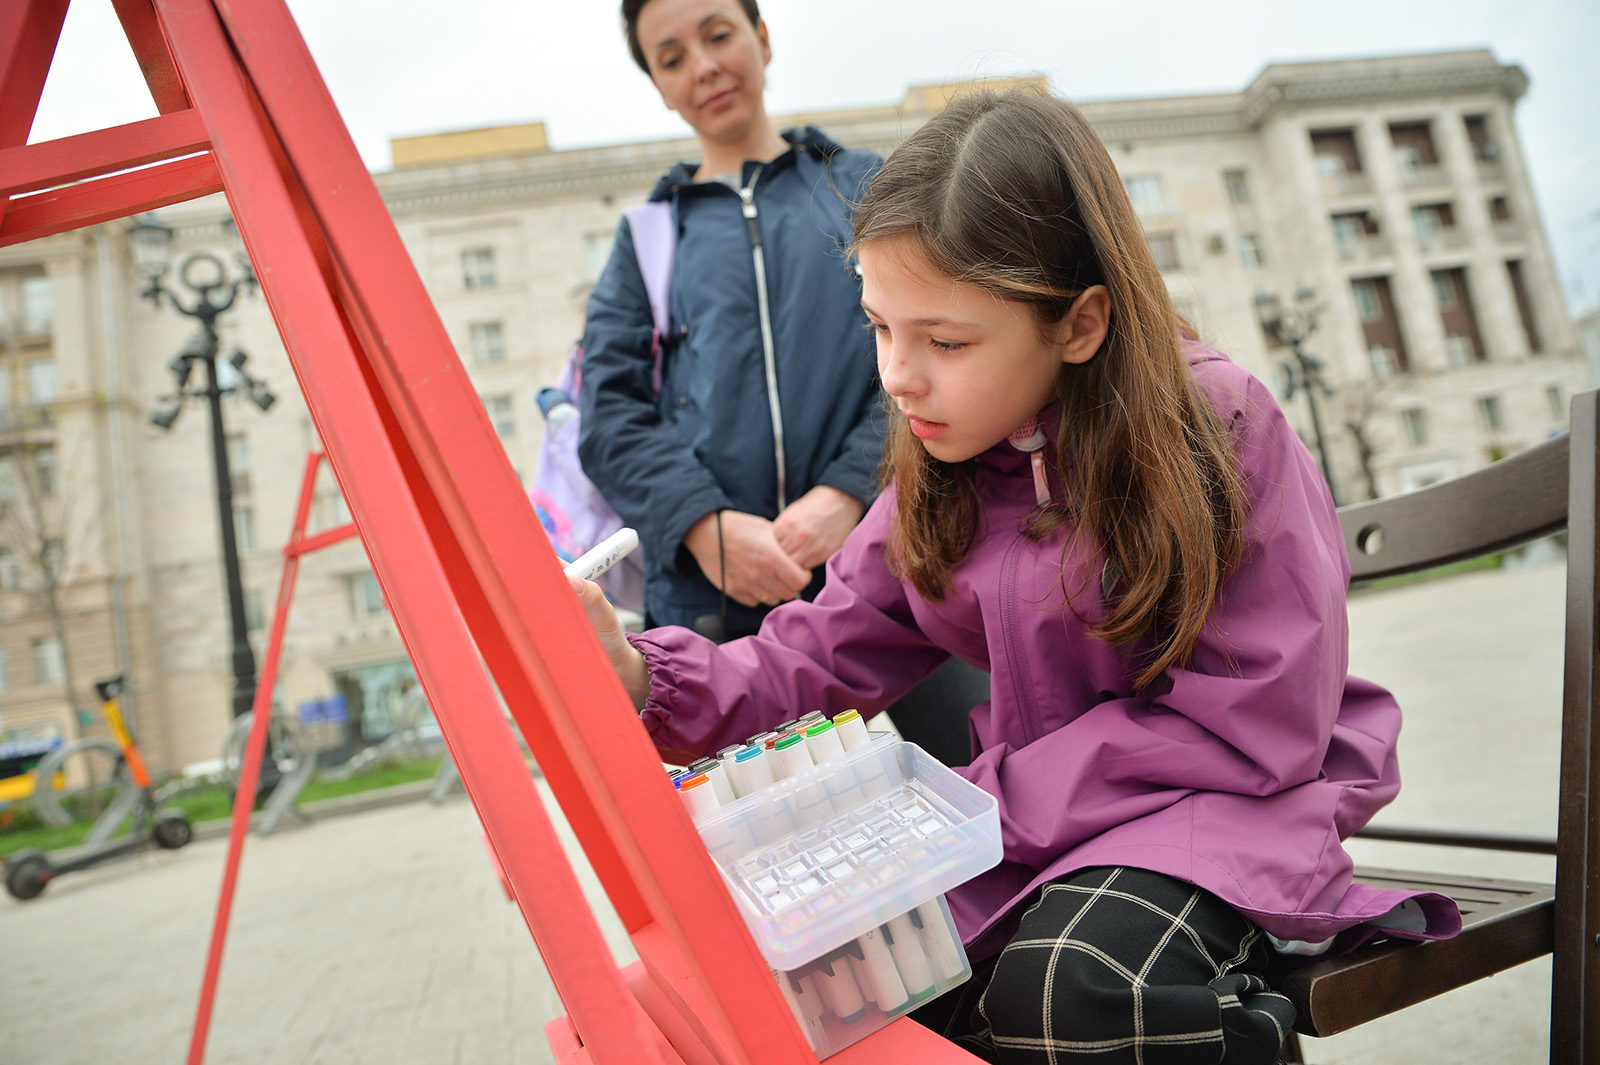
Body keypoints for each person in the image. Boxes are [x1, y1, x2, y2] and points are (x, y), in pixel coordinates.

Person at [570, 88, 1464, 1063]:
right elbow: (827, 638)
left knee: (1075, 987)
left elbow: (1255, 722)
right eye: (879, 327)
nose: (897, 375)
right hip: (1043, 827)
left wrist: (974, 804)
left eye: (944, 341)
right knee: (865, 990)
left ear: (1079, 323)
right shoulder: (947, 462)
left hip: (1230, 806)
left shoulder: (1216, 427)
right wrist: (646, 675)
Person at [580, 0, 985, 764]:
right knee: (812, 878)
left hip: (907, 559)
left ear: (762, 39)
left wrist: (850, 493)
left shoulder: (869, 189)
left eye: (718, 34)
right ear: (660, 87)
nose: (702, 66)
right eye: (670, 58)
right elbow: (609, 412)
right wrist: (706, 526)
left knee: (999, 811)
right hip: (722, 612)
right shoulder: (648, 240)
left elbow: (942, 344)